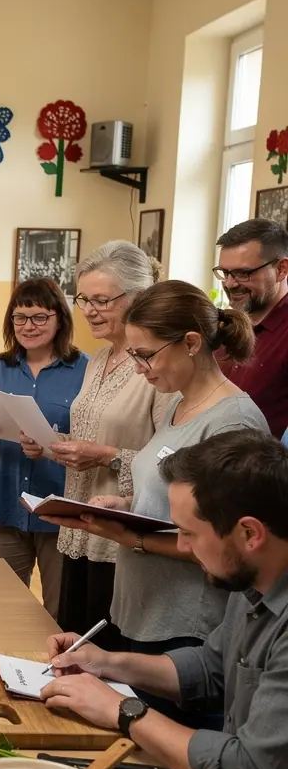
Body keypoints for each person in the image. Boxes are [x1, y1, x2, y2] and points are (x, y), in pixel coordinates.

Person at [41, 429, 288, 769]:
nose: (182, 547)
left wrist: (124, 711)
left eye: (189, 532)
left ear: (250, 534)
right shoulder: (252, 579)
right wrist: (109, 663)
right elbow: (210, 668)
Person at [41, 281, 267, 666]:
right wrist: (126, 504)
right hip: (143, 609)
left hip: (186, 622)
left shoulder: (233, 422)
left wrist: (131, 538)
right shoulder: (179, 404)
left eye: (146, 356)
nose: (138, 368)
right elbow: (173, 497)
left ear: (191, 343)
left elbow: (229, 545)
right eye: (134, 355)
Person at [23, 242, 173, 635]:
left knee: (104, 649)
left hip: (120, 538)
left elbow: (171, 461)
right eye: (83, 299)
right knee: (73, 639)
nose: (89, 310)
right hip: (80, 528)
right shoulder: (100, 358)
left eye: (101, 300)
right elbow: (90, 436)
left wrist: (107, 455)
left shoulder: (156, 365)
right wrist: (50, 446)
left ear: (138, 296)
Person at [0, 279, 88, 617]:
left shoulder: (85, 370)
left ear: (60, 319)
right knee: (3, 611)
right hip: (5, 505)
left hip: (60, 510)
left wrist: (50, 447)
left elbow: (92, 439)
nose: (28, 326)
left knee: (59, 612)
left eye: (39, 317)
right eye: (20, 317)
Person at [214, 218, 288, 438]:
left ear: (281, 269)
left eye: (243, 273)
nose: (230, 283)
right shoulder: (223, 326)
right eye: (225, 273)